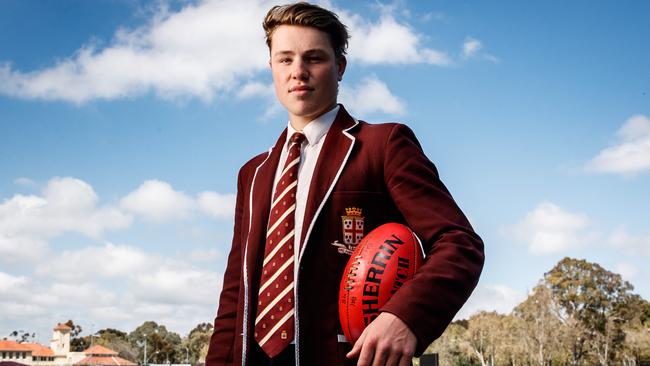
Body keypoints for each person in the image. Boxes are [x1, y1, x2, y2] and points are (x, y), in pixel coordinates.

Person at [206, 2, 484, 366]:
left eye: (314, 58)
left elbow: (459, 243)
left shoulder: (383, 146)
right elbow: (235, 293)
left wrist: (405, 317)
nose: (298, 72)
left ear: (340, 67)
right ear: (271, 68)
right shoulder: (253, 173)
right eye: (285, 59)